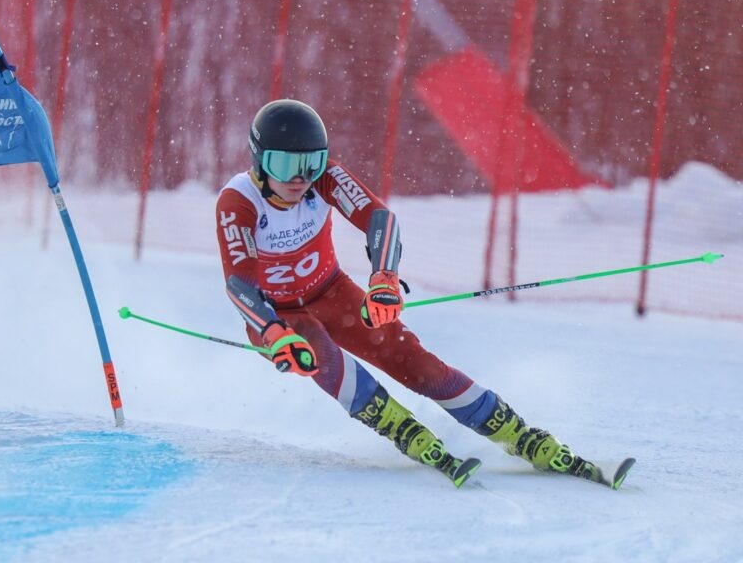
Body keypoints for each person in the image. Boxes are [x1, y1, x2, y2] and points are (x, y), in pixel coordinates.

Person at [215, 98, 618, 487]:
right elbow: (240, 284)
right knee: (317, 350)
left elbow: (380, 218)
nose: (300, 179)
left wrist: (384, 279)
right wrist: (272, 331)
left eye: (311, 163)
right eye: (285, 165)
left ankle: (519, 435)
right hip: (276, 315)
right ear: (260, 161)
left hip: (331, 292)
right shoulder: (239, 202)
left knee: (412, 359)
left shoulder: (325, 180)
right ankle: (401, 428)